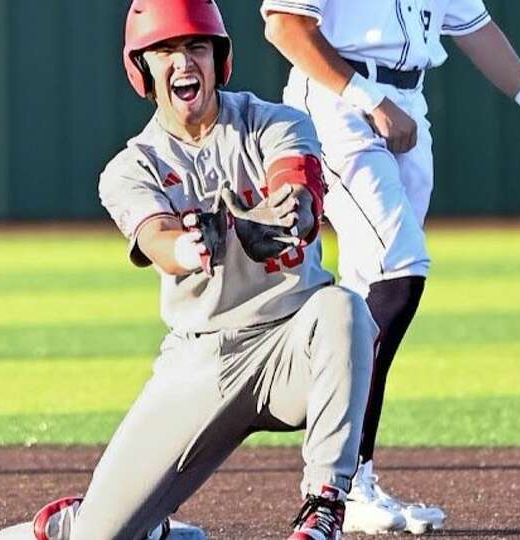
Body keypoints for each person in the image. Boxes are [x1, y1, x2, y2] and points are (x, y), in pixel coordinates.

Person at [259, 0, 520, 535]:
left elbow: (478, 30)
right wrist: (368, 97)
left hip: (408, 105)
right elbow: (285, 26)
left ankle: (352, 477)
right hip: (339, 106)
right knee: (398, 274)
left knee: (364, 302)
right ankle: (341, 480)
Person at [24, 1, 377, 539]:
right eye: (165, 51)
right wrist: (193, 248)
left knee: (343, 308)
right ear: (141, 68)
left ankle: (323, 505)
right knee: (101, 536)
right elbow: (159, 242)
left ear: (219, 60)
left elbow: (300, 198)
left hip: (291, 343)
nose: (183, 62)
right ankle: (121, 524)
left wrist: (280, 214)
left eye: (196, 47)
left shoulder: (276, 122)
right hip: (201, 357)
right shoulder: (130, 167)